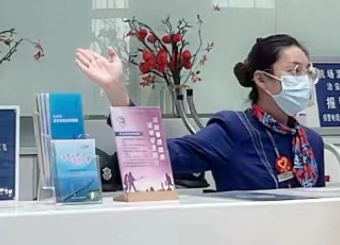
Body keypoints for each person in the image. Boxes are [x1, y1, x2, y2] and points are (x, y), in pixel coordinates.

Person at [74, 34, 327, 192]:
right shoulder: (233, 130)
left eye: (308, 72)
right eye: (294, 71)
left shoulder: (311, 142)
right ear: (261, 79)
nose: (304, 80)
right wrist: (116, 90)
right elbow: (154, 155)